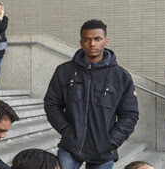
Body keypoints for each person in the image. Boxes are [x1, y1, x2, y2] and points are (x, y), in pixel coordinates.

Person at [44, 19, 139, 169]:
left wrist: (112, 142)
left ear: (106, 41)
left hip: (104, 151)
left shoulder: (120, 76)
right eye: (87, 40)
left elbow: (129, 114)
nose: (92, 44)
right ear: (81, 42)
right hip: (71, 146)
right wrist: (65, 130)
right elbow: (52, 104)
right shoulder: (64, 71)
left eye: (97, 39)